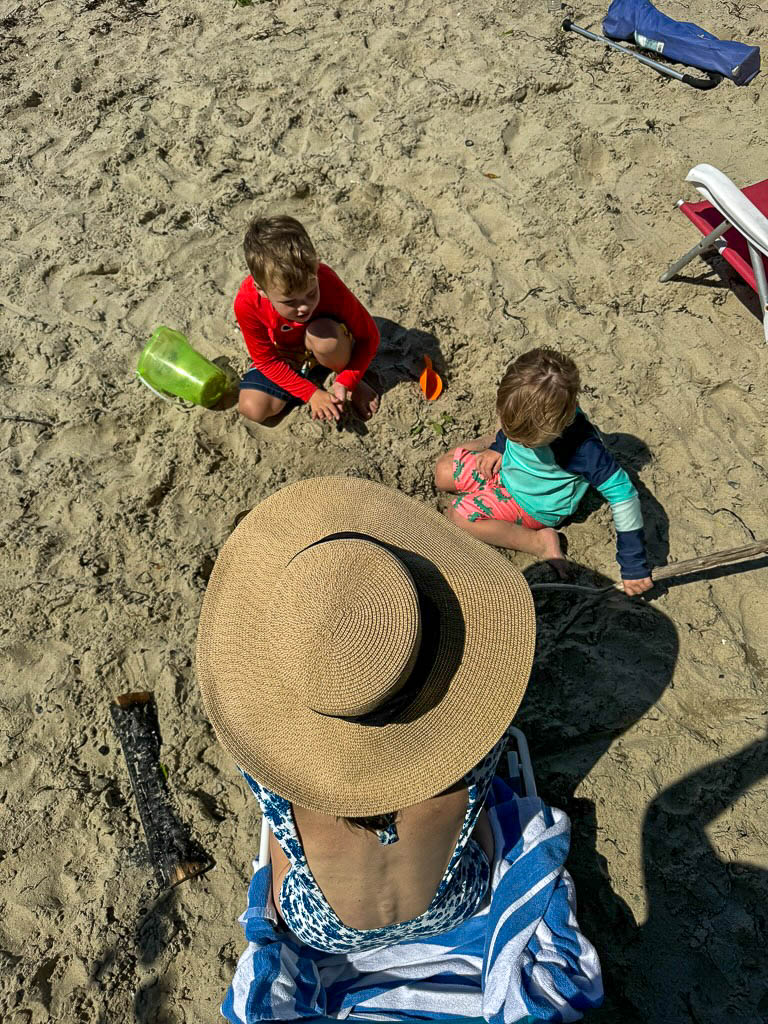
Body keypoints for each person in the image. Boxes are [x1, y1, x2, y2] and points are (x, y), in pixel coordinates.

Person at [196, 477, 602, 1022]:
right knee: (481, 811)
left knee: (287, 837)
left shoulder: (268, 769)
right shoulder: (474, 749)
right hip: (451, 901)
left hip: (327, 927)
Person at [434, 347, 653, 596]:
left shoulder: (581, 449)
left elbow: (623, 495)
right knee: (443, 472)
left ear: (561, 424)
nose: (516, 437)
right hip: (507, 469)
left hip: (531, 503)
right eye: (508, 426)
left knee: (460, 516)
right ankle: (496, 450)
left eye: (526, 440)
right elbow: (514, 426)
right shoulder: (530, 406)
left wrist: (633, 563)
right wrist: (498, 446)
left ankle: (539, 543)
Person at [234, 215, 380, 424]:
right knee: (253, 409)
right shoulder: (247, 302)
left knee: (324, 338)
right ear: (261, 289)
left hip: (328, 339)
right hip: (286, 353)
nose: (303, 307)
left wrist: (347, 381)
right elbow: (266, 360)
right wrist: (312, 394)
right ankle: (312, 380)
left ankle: (350, 379)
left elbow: (369, 337)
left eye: (311, 293)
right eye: (290, 301)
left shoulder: (327, 280)